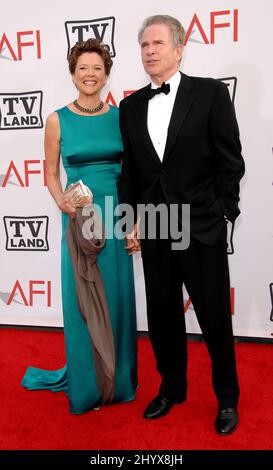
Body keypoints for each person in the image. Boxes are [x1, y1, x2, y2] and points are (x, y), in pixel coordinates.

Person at [119, 15, 245, 435]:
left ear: (179, 47)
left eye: (157, 43)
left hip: (200, 223)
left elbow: (230, 160)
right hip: (155, 224)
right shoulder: (131, 105)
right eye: (143, 45)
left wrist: (222, 209)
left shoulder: (209, 93)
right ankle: (172, 388)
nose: (149, 51)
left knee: (213, 316)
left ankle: (227, 398)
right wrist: (129, 220)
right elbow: (133, 174)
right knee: (162, 315)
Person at [21, 38, 137, 413]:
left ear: (106, 75)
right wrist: (61, 202)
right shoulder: (57, 119)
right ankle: (88, 385)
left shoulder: (121, 116)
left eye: (97, 68)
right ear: (73, 74)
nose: (90, 74)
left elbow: (133, 171)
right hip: (81, 219)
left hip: (116, 216)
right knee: (82, 302)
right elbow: (50, 172)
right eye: (83, 68)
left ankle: (118, 382)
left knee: (117, 298)